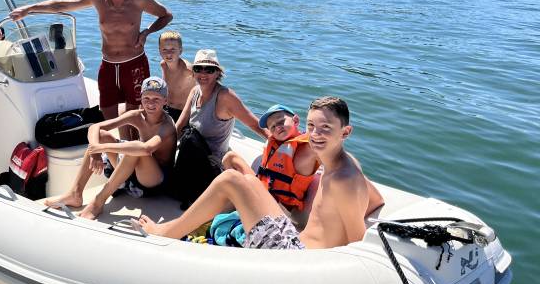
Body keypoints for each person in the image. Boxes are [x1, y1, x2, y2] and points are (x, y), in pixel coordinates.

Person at [139, 97, 385, 250]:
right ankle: (178, 226)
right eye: (311, 126)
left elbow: (358, 247)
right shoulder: (344, 163)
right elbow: (376, 200)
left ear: (345, 132)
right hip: (295, 236)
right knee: (246, 179)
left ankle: (166, 232)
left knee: (230, 180)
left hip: (297, 257)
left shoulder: (343, 179)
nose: (315, 134)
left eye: (325, 128)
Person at [10, 0, 173, 136]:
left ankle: (132, 149)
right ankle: (114, 150)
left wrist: (146, 32)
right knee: (106, 111)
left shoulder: (140, 0)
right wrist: (28, 9)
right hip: (108, 64)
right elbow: (62, 5)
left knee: (134, 111)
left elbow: (166, 15)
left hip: (134, 63)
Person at [45, 76, 177, 220]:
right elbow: (96, 127)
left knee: (136, 148)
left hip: (152, 181)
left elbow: (146, 149)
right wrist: (95, 150)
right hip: (131, 172)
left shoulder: (167, 125)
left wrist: (102, 148)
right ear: (141, 98)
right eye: (146, 98)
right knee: (101, 135)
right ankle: (75, 193)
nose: (150, 103)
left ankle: (98, 202)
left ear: (165, 100)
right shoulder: (137, 116)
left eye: (156, 99)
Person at [175, 49, 269, 171]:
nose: (203, 74)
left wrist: (281, 146)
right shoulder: (194, 92)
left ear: (217, 73)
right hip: (191, 154)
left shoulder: (225, 97)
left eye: (209, 70)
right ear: (193, 72)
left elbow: (255, 125)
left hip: (212, 164)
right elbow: (179, 127)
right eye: (198, 69)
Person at [222, 103, 320, 215]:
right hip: (263, 193)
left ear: (296, 121)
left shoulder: (305, 149)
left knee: (230, 181)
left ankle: (217, 218)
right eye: (273, 127)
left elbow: (331, 149)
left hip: (280, 207)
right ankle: (222, 216)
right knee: (230, 157)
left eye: (281, 122)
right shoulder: (274, 143)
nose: (277, 127)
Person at [158, 31, 195, 123]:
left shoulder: (188, 70)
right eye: (164, 50)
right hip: (165, 108)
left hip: (183, 113)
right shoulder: (164, 65)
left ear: (180, 51)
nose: (168, 54)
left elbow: (202, 91)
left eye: (173, 50)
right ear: (159, 51)